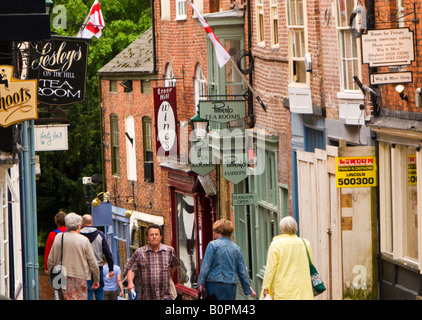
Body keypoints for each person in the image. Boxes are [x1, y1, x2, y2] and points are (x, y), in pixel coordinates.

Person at [196, 219, 256, 300]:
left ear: (220, 232)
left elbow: (206, 266)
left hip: (214, 284)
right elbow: (242, 271)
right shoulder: (236, 249)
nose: (214, 234)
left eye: (215, 231)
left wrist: (200, 283)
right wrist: (247, 289)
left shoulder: (213, 245)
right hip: (230, 286)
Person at [47, 212, 100, 300]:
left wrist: (52, 274)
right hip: (79, 277)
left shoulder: (59, 237)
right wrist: (96, 279)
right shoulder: (84, 240)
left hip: (60, 276)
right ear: (79, 225)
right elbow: (93, 262)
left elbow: (50, 260)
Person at [261, 216, 314, 300]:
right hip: (303, 291)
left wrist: (266, 287)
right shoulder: (306, 243)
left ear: (282, 229)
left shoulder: (276, 245)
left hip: (284, 292)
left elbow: (270, 269)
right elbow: (311, 265)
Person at [125, 224, 180, 300]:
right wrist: (130, 282)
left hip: (165, 296)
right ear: (147, 237)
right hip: (147, 296)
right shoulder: (140, 252)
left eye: (156, 234)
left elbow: (174, 265)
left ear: (160, 237)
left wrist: (168, 276)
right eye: (151, 235)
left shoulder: (169, 251)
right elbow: (131, 268)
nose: (154, 237)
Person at [81, 214, 114, 300]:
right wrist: (111, 268)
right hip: (98, 267)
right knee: (99, 291)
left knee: (88, 291)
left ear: (82, 223)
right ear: (92, 222)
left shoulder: (79, 235)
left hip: (84, 268)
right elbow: (107, 253)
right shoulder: (100, 235)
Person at [44, 210, 67, 300]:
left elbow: (48, 252)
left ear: (56, 222)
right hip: (70, 266)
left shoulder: (52, 234)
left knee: (57, 292)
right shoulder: (71, 233)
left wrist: (46, 267)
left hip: (57, 267)